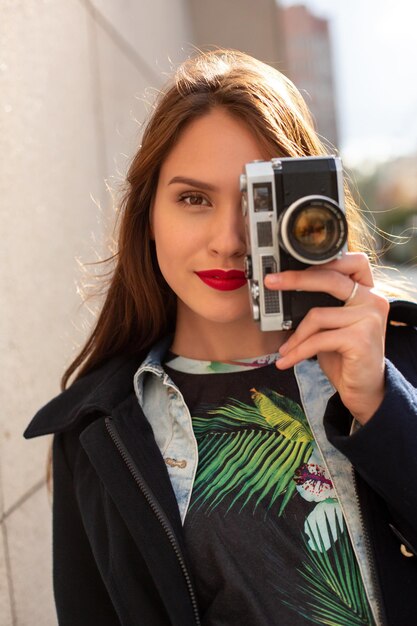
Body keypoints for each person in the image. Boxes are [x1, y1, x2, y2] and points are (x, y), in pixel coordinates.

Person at [25, 49, 417, 626]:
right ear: (148, 214)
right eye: (193, 199)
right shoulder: (98, 434)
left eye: (258, 204)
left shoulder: (396, 357)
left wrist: (383, 408)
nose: (229, 240)